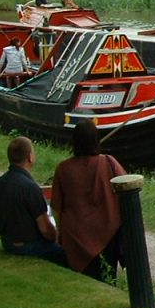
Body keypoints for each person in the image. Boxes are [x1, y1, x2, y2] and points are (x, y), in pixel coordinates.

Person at [51, 119, 127, 283]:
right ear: (95, 139)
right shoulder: (109, 163)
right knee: (107, 279)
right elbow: (127, 192)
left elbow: (56, 207)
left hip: (74, 238)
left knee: (77, 280)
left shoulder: (63, 168)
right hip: (107, 235)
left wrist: (60, 231)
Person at [0, 137, 68, 266]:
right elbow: (46, 229)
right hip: (30, 245)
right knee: (67, 255)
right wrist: (57, 236)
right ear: (30, 157)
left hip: (7, 243)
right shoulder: (30, 188)